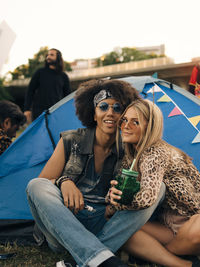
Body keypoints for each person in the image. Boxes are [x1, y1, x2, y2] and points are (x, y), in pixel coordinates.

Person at [26, 80, 166, 267]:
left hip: (105, 225)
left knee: (159, 187)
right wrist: (64, 181)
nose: (110, 113)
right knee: (36, 185)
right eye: (103, 107)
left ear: (124, 116)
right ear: (93, 113)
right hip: (64, 225)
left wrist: (120, 200)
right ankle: (101, 255)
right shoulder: (70, 139)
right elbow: (43, 184)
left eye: (117, 108)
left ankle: (95, 258)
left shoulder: (130, 149)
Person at [107, 99, 200, 267]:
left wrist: (118, 206)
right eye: (124, 120)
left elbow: (146, 199)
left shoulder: (156, 152)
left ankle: (154, 253)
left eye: (135, 122)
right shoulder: (131, 156)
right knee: (121, 229)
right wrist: (113, 198)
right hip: (169, 226)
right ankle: (184, 263)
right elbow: (118, 189)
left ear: (150, 127)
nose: (126, 126)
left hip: (197, 221)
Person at [24, 48, 71, 122]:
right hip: (39, 112)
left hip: (56, 112)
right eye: (47, 55)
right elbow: (30, 91)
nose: (48, 57)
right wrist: (27, 109)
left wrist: (67, 111)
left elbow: (67, 96)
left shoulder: (63, 76)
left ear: (58, 57)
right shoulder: (40, 72)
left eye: (51, 55)